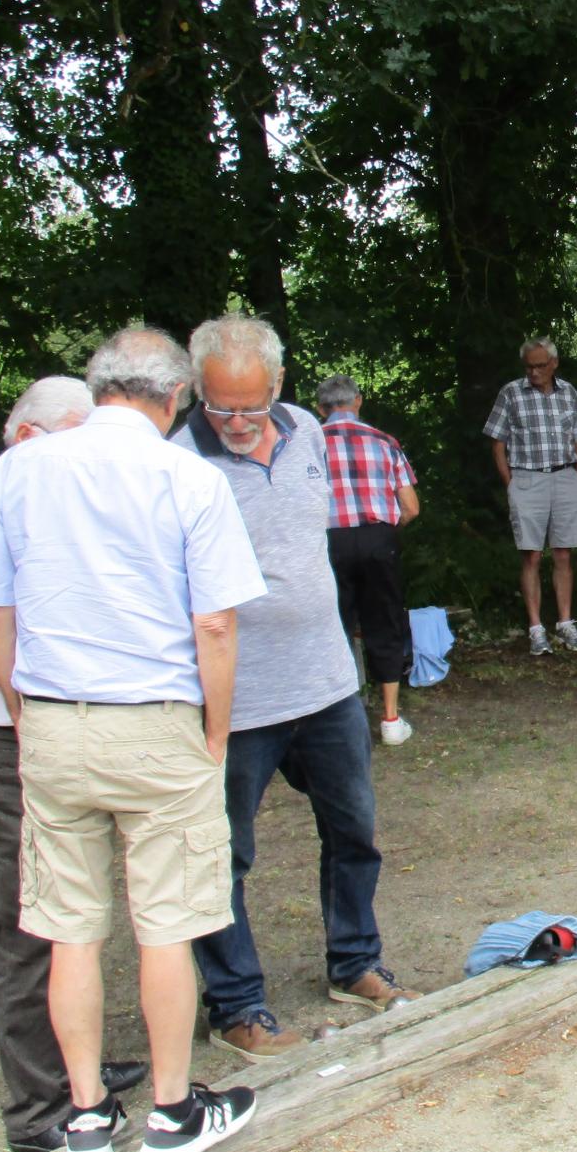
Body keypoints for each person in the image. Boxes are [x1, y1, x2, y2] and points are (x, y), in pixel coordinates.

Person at [0, 325, 264, 1152]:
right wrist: (216, 728)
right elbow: (218, 621)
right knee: (167, 922)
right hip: (157, 714)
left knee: (68, 929)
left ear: (98, 392)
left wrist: (21, 704)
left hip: (54, 719)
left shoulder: (16, 471)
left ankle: (85, 1118)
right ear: (176, 400)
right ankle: (171, 1111)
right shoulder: (186, 477)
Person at [0, 377, 152, 1152]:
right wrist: (37, 663)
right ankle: (40, 1109)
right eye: (73, 443)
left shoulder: (46, 512)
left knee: (72, 912)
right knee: (23, 923)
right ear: (25, 439)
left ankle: (75, 1069)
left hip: (52, 737)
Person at [177, 318, 418, 1066]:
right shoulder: (179, 461)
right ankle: (236, 1005)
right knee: (223, 854)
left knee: (354, 831)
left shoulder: (311, 430)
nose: (240, 423)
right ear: (197, 394)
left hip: (325, 683)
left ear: (278, 387)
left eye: (252, 406)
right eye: (222, 408)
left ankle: (354, 963)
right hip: (236, 698)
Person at [317, 373, 420, 744]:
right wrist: (387, 530)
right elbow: (410, 507)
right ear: (357, 402)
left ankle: (340, 716)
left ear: (320, 408)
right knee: (385, 622)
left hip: (328, 542)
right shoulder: (384, 442)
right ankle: (390, 719)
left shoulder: (306, 444)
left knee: (334, 625)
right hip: (378, 539)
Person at [485, 337, 577, 655]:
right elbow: (497, 443)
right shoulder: (511, 392)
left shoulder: (569, 392)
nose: (534, 372)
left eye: (540, 365)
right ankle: (536, 628)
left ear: (554, 363)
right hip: (526, 477)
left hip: (564, 476)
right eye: (529, 366)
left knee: (563, 552)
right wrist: (511, 483)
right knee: (531, 554)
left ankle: (565, 622)